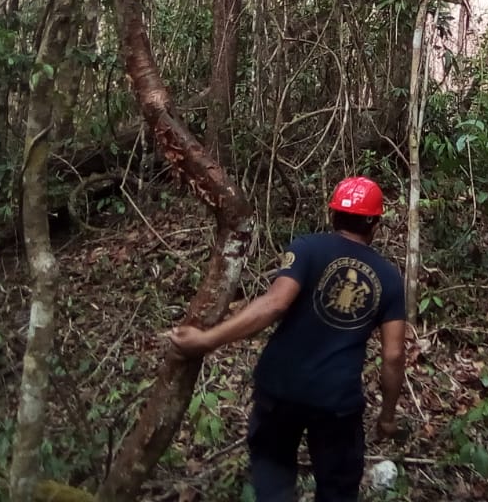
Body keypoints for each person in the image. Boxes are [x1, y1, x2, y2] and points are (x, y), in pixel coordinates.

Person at [168, 176, 407, 502]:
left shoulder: (306, 248)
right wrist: (388, 416)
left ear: (333, 215)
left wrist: (206, 340)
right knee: (338, 489)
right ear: (375, 224)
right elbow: (393, 356)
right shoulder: (390, 278)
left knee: (273, 472)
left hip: (280, 388)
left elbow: (274, 303)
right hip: (336, 401)